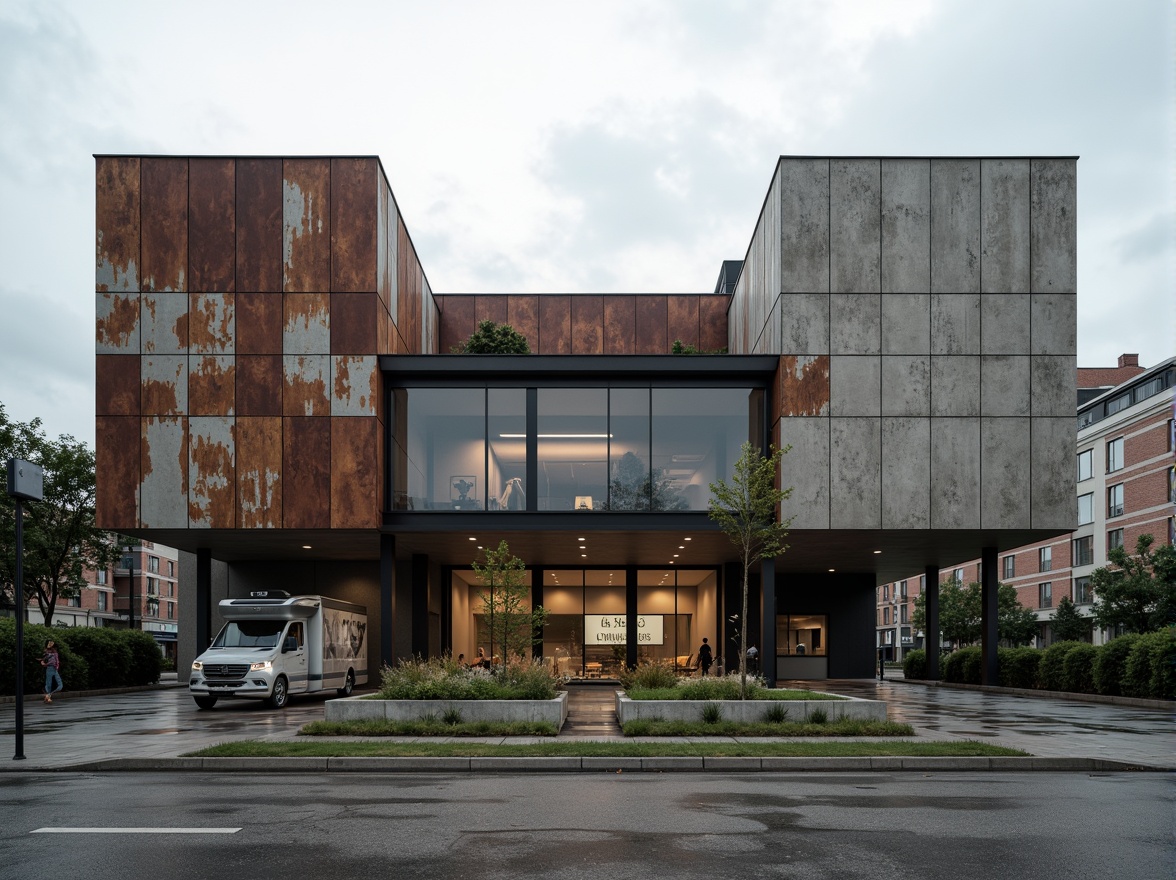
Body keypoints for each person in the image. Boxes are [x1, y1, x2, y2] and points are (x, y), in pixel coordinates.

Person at [41, 639, 63, 703]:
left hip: (54, 669)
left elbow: (56, 661)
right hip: (50, 668)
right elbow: (43, 660)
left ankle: (48, 696)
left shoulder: (54, 653)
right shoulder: (47, 653)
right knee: (49, 684)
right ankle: (48, 697)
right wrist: (44, 663)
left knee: (59, 685)